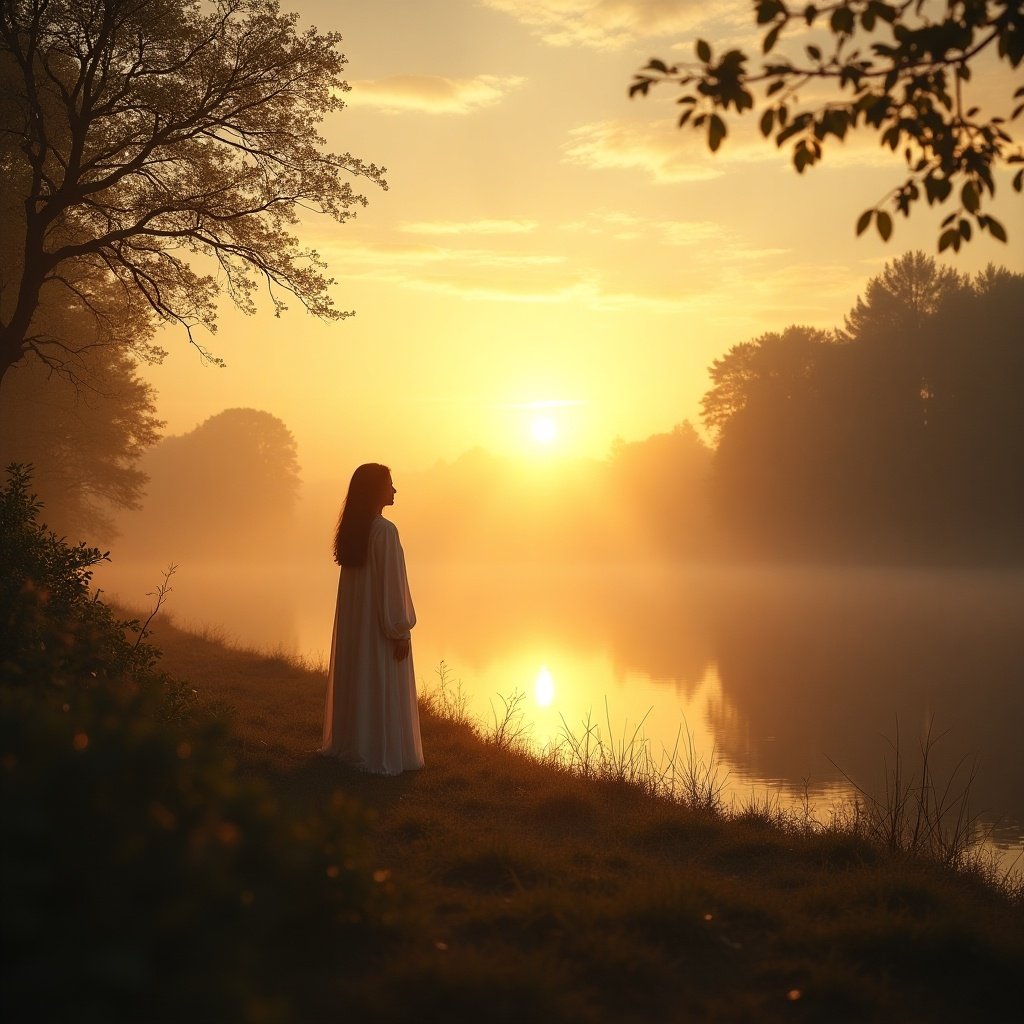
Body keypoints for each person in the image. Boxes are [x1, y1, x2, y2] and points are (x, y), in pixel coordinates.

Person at [321, 463, 424, 774]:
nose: (394, 490)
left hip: (359, 624)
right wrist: (400, 632)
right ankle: (378, 751)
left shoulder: (355, 531)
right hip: (379, 628)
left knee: (360, 679)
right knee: (378, 682)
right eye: (389, 484)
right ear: (374, 490)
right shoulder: (385, 531)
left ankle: (356, 744)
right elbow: (392, 586)